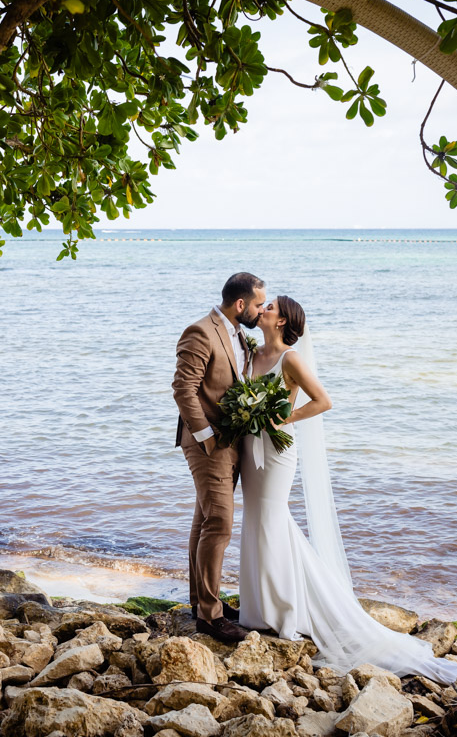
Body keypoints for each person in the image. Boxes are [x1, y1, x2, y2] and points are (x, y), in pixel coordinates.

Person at [239, 295, 457, 684]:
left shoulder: (290, 359)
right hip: (249, 448)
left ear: (282, 321)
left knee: (273, 519)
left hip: (276, 451)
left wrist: (283, 420)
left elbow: (323, 401)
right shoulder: (250, 353)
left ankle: (287, 609)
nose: (265, 309)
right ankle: (258, 609)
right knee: (254, 519)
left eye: (272, 306)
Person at [172, 272, 267, 643]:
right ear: (240, 304)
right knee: (221, 524)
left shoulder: (240, 333)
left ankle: (201, 601)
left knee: (205, 519)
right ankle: (210, 618)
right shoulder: (200, 331)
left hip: (232, 441)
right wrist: (207, 437)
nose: (261, 311)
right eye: (259, 304)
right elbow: (184, 389)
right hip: (208, 443)